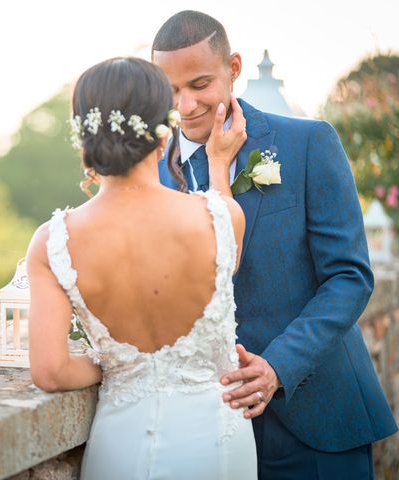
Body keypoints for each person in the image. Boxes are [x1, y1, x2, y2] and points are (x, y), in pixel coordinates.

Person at [152, 10, 398, 479]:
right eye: (170, 90)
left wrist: (278, 367)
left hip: (316, 418)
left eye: (200, 84)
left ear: (234, 69)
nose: (184, 106)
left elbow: (349, 277)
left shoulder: (307, 143)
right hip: (200, 434)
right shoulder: (151, 176)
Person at [27, 57, 257, 479]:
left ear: (84, 133)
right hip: (217, 444)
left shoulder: (52, 240)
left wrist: (116, 366)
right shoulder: (223, 217)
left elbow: (50, 370)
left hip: (122, 446)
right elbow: (229, 257)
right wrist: (219, 166)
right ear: (163, 128)